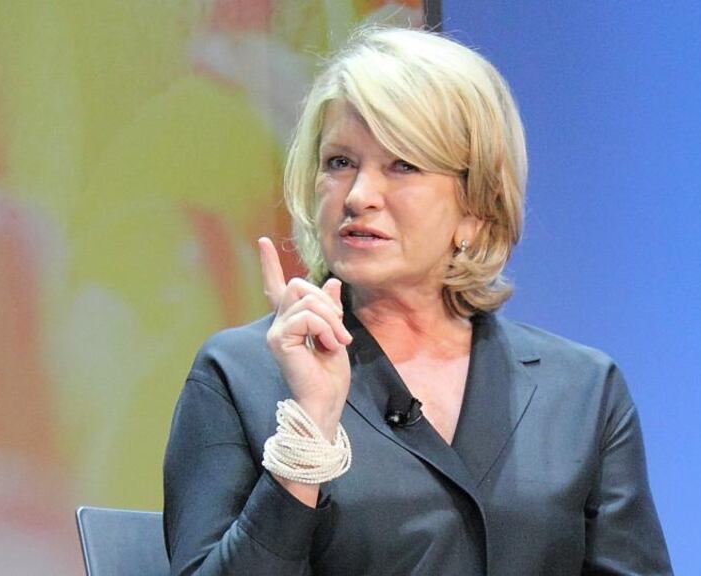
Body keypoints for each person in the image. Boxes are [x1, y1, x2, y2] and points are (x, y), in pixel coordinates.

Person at [163, 26, 672, 575]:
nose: (359, 196)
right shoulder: (241, 376)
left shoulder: (581, 392)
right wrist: (308, 435)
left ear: (476, 206)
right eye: (339, 162)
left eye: (402, 165)